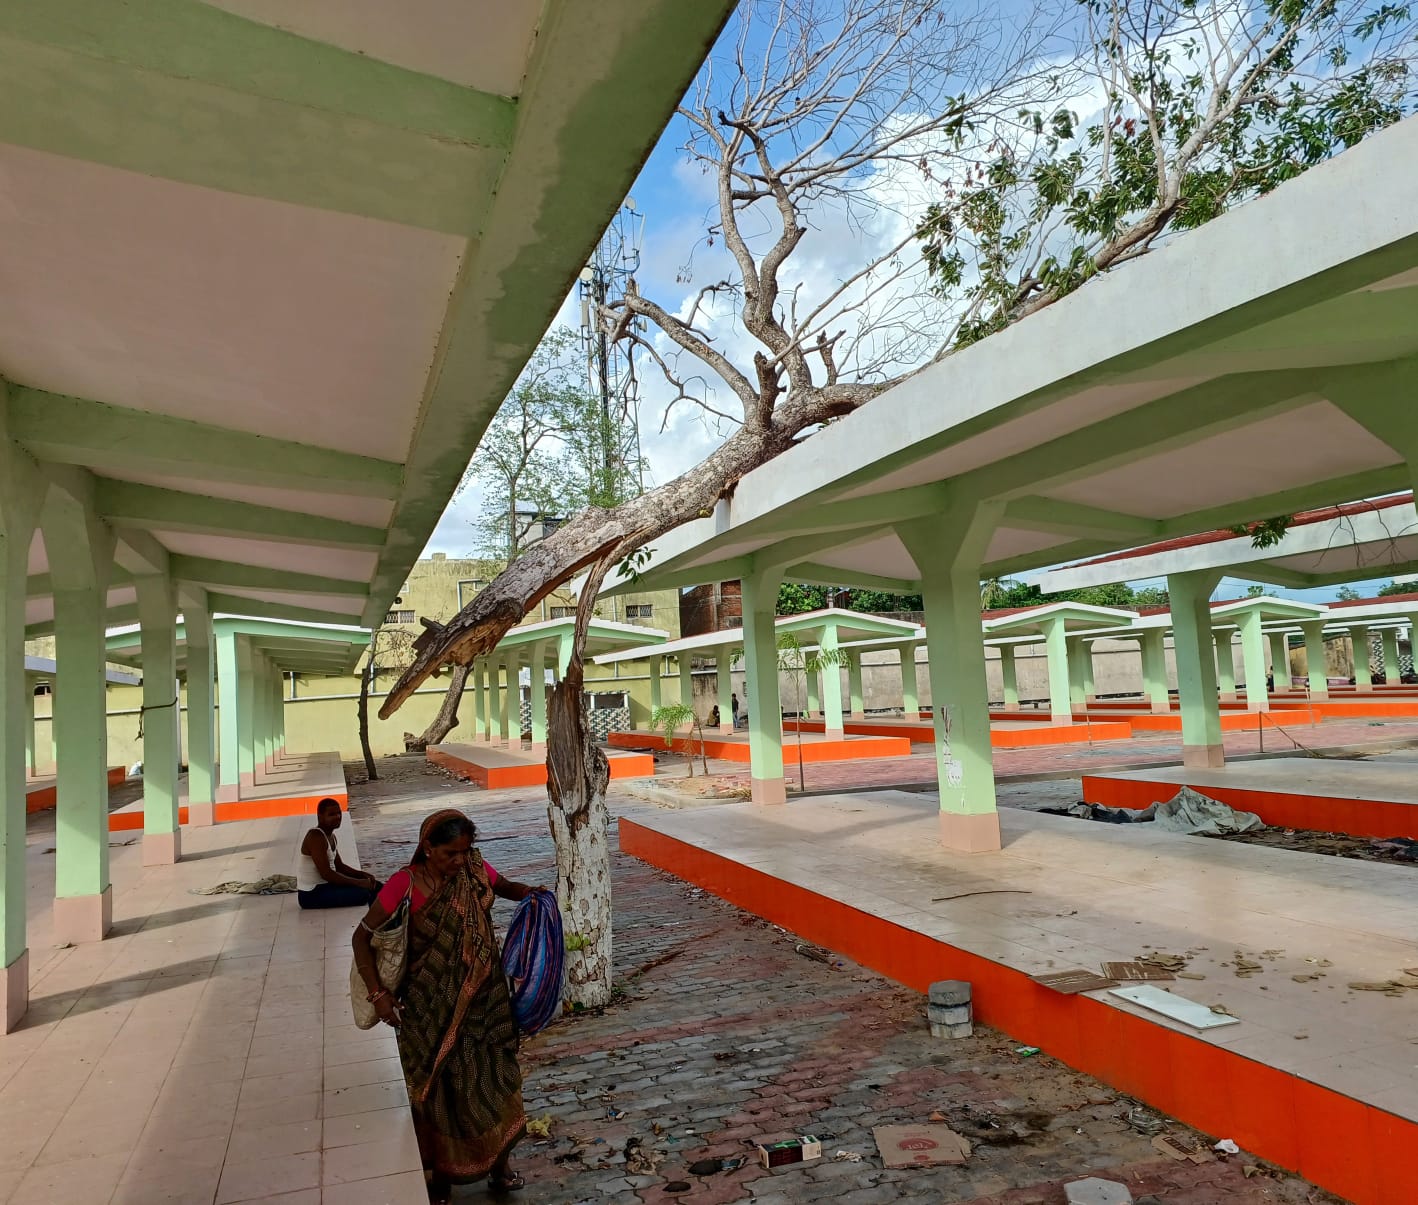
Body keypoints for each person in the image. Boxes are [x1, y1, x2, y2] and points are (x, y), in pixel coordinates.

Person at [353, 809, 541, 1202]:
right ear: (428, 847)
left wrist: (532, 894)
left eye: (465, 852)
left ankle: (499, 1163)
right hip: (428, 1009)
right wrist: (378, 994)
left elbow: (503, 885)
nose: (459, 861)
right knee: (438, 1091)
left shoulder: (473, 869)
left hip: (485, 1003)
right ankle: (440, 1174)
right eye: (450, 854)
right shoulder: (404, 884)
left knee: (493, 1079)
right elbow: (361, 938)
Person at [295, 798, 382, 908]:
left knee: (377, 886)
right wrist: (359, 882)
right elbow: (326, 874)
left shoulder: (331, 836)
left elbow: (340, 867)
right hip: (311, 894)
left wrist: (362, 875)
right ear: (320, 816)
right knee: (364, 893)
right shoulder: (316, 837)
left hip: (325, 887)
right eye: (331, 814)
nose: (337, 817)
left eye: (339, 813)